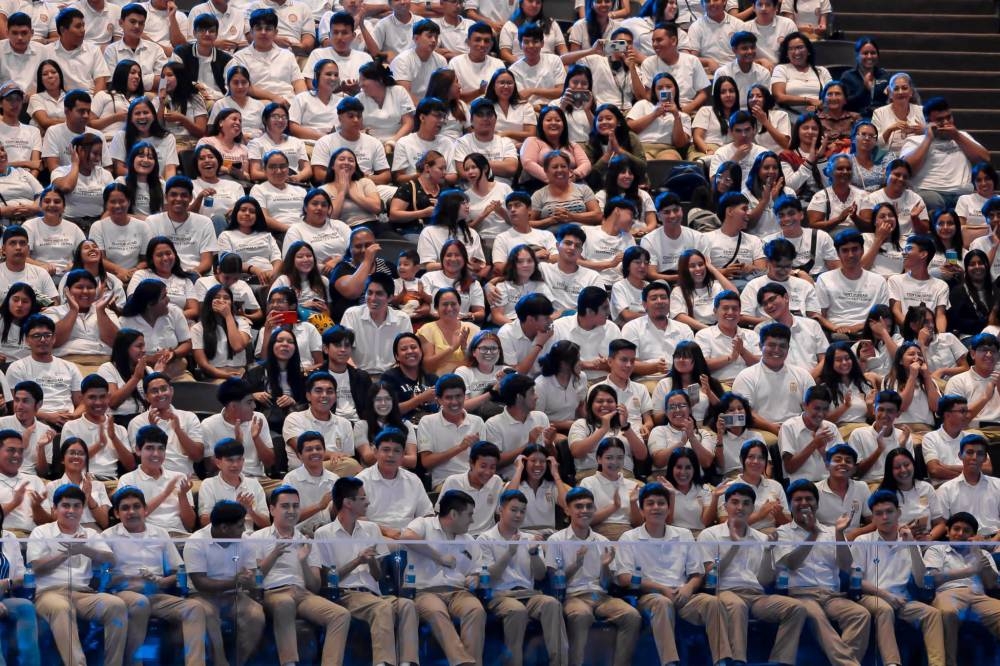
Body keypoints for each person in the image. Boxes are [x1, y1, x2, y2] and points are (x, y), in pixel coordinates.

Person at [104, 485, 223, 666]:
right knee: (139, 602)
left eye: (136, 506)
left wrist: (161, 581)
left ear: (145, 510)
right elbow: (103, 578)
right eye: (125, 508)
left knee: (194, 607)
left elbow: (180, 571)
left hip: (156, 593)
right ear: (117, 513)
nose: (132, 511)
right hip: (124, 595)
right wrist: (131, 581)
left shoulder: (160, 533)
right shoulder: (108, 536)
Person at [311, 477, 421, 666]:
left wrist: (371, 562)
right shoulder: (324, 534)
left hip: (374, 594)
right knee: (382, 607)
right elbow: (330, 580)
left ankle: (407, 662)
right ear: (347, 502)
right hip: (346, 594)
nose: (368, 502)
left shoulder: (371, 529)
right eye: (362, 498)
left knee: (407, 606)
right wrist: (357, 561)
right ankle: (383, 663)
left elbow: (378, 576)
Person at [697, 482, 808, 666]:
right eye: (735, 502)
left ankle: (780, 661)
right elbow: (711, 578)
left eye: (746, 503)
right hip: (723, 591)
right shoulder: (709, 535)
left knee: (797, 608)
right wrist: (735, 546)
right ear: (725, 507)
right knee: (737, 605)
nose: (740, 507)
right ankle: (738, 661)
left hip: (756, 595)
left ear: (752, 508)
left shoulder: (761, 538)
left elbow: (764, 580)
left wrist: (767, 551)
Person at [242, 485, 351, 666]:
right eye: (285, 506)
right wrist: (274, 554)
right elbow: (254, 581)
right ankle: (289, 663)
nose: (291, 511)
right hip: (273, 593)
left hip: (302, 594)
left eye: (295, 506)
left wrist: (303, 561)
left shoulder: (306, 541)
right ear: (272, 509)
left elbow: (314, 586)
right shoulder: (257, 538)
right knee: (285, 603)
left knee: (340, 615)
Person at [774, 479, 872, 666]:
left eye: (809, 499)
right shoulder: (782, 533)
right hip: (801, 595)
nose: (804, 503)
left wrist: (838, 534)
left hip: (832, 596)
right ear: (790, 504)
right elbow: (791, 564)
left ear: (817, 504)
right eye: (798, 499)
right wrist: (812, 534)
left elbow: (845, 565)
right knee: (816, 617)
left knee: (860, 614)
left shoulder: (831, 532)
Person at [28, 483, 126, 666]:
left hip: (83, 594)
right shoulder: (41, 532)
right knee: (62, 608)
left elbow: (110, 560)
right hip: (50, 594)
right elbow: (36, 568)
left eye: (77, 506)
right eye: (66, 505)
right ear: (55, 508)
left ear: (83, 509)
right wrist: (67, 552)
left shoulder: (90, 533)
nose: (71, 510)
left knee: (117, 605)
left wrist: (85, 549)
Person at [544, 486, 639, 666]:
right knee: (580, 615)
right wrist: (576, 564)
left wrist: (605, 567)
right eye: (579, 506)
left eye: (589, 506)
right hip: (573, 596)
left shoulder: (602, 541)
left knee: (632, 616)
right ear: (567, 510)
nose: (585, 511)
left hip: (601, 596)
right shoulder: (556, 540)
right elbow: (556, 583)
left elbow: (605, 583)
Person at [851, 489, 946, 666]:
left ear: (899, 513)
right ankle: (892, 663)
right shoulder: (862, 541)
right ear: (873, 517)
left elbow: (920, 581)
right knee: (884, 609)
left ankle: (938, 664)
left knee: (932, 613)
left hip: (902, 599)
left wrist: (911, 544)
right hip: (872, 597)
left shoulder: (909, 541)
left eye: (889, 511)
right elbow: (856, 580)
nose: (885, 517)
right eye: (879, 513)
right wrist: (885, 595)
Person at [184, 499, 266, 666]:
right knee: (206, 613)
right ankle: (220, 661)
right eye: (240, 525)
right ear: (223, 528)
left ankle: (239, 662)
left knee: (256, 614)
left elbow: (250, 576)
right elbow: (200, 583)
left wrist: (250, 579)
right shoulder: (196, 542)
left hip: (235, 595)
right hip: (202, 596)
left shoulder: (245, 540)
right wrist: (234, 582)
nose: (244, 529)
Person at [924, 511, 1000, 666]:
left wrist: (977, 551)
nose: (960, 534)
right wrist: (967, 571)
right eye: (956, 529)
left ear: (973, 535)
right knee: (947, 612)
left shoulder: (983, 552)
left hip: (979, 596)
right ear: (947, 531)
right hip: (948, 593)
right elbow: (931, 578)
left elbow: (991, 584)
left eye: (966, 531)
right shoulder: (937, 549)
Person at [902, 97, 990, 212]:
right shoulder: (915, 141)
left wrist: (957, 136)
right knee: (934, 201)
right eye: (940, 120)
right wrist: (928, 139)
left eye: (949, 118)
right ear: (929, 122)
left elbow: (985, 159)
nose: (946, 122)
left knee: (966, 202)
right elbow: (907, 170)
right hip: (929, 192)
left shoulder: (962, 136)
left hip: (961, 194)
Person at [357, 427, 433, 538]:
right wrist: (386, 531)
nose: (391, 455)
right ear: (375, 452)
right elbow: (356, 518)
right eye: (386, 450)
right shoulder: (361, 481)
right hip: (375, 537)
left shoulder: (413, 480)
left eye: (397, 451)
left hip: (409, 537)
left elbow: (427, 515)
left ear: (403, 455)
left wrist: (413, 533)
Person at [815, 229, 891, 337]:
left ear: (862, 250)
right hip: (836, 332)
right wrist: (835, 328)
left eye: (855, 249)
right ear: (838, 254)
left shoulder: (879, 281)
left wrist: (856, 327)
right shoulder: (824, 279)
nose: (850, 255)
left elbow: (883, 316)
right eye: (845, 250)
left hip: (869, 331)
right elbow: (819, 315)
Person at [417, 374, 484, 490]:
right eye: (448, 398)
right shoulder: (427, 422)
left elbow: (486, 458)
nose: (454, 402)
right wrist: (460, 447)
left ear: (465, 396)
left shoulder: (477, 421)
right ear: (439, 400)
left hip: (478, 479)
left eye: (458, 396)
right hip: (445, 482)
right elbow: (426, 462)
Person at [230, 8, 307, 105]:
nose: (263, 32)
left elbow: (298, 82)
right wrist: (274, 98)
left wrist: (303, 102)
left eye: (268, 29)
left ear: (275, 32)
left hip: (289, 103)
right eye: (258, 28)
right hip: (258, 104)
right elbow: (244, 86)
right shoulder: (240, 57)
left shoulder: (287, 55)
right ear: (251, 32)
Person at [634, 22, 709, 114]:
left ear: (673, 40)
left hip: (687, 108)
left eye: (659, 40)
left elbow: (703, 93)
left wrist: (686, 109)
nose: (655, 44)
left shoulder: (692, 60)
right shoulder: (648, 63)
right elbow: (649, 95)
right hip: (659, 110)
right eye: (653, 41)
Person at [936, 434, 1000, 539]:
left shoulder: (998, 485)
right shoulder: (946, 489)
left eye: (979, 454)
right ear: (960, 455)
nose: (974, 457)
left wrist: (994, 540)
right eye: (969, 452)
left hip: (995, 540)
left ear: (984, 458)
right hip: (961, 541)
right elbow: (943, 525)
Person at [694, 289, 761, 384]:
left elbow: (761, 364)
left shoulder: (751, 335)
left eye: (735, 309)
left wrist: (742, 351)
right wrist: (730, 358)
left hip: (750, 385)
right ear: (715, 311)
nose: (730, 312)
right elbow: (701, 365)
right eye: (725, 308)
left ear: (740, 312)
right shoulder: (704, 335)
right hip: (719, 387)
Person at [943, 333, 1000, 432]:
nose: (989, 355)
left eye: (993, 351)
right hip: (973, 431)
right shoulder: (958, 381)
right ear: (973, 354)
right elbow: (953, 420)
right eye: (984, 350)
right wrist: (985, 398)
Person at [922, 395, 978, 486]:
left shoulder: (971, 437)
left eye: (967, 411)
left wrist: (947, 467)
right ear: (947, 415)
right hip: (943, 488)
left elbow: (987, 468)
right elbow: (934, 470)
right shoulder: (930, 438)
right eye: (962, 411)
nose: (967, 416)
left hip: (972, 487)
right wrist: (968, 476)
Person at [509, 23, 567, 106]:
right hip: (528, 111)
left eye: (535, 42)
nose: (531, 46)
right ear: (520, 45)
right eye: (526, 42)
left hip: (554, 109)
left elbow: (561, 91)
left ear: (542, 43)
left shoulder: (554, 60)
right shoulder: (513, 70)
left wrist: (532, 90)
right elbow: (520, 98)